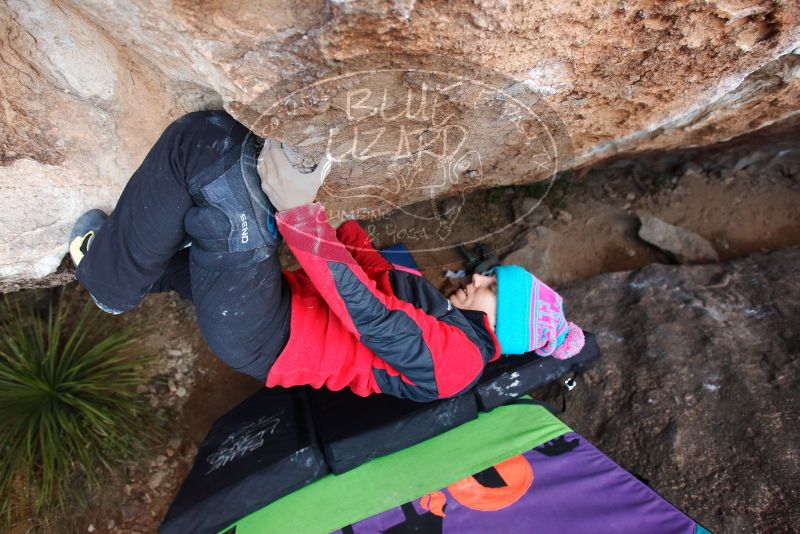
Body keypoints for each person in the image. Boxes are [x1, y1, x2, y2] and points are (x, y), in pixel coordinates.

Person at [68, 110, 584, 402]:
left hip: (261, 331)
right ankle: (133, 263)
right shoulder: (449, 319)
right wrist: (323, 202)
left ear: (507, 326)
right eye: (488, 276)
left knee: (208, 148)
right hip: (275, 305)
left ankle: (109, 282)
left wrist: (300, 213)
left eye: (490, 289)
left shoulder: (458, 364)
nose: (475, 279)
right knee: (196, 225)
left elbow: (370, 315)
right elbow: (375, 272)